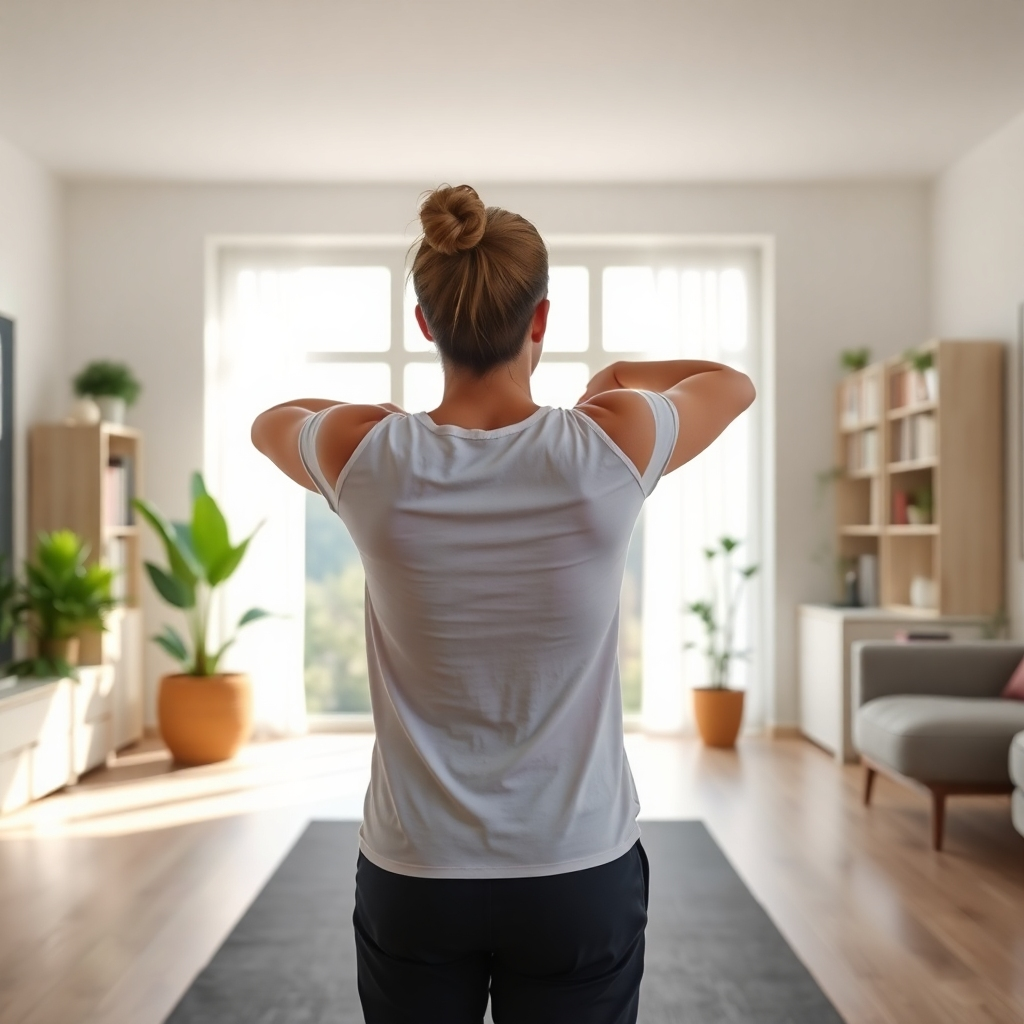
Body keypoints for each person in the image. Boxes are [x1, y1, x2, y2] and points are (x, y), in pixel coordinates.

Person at [251, 184, 755, 1024]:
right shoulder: (613, 436)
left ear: (424, 325)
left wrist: (370, 415)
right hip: (577, 870)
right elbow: (730, 385)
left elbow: (271, 422)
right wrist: (620, 376)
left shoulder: (366, 452)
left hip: (417, 876)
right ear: (541, 321)